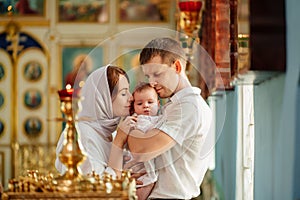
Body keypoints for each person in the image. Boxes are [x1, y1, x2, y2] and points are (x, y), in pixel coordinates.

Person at [109, 37, 212, 199]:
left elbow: (141, 151)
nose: (152, 83)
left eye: (157, 74)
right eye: (148, 76)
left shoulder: (189, 107)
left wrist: (124, 134)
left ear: (177, 66)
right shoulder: (171, 107)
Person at [55, 65, 132, 175]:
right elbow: (97, 189)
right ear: (103, 98)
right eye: (124, 93)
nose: (131, 97)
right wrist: (119, 142)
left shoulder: (111, 133)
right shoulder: (82, 135)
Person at [125, 82, 161, 200]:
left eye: (150, 102)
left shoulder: (160, 118)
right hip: (139, 166)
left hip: (149, 165)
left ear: (158, 104)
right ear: (134, 107)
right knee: (144, 186)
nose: (145, 106)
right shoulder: (139, 120)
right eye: (140, 103)